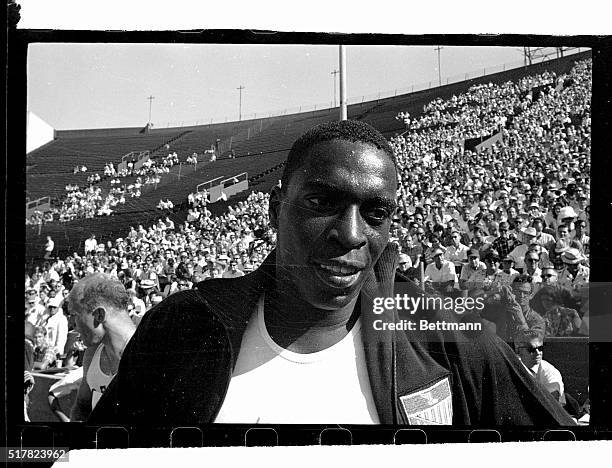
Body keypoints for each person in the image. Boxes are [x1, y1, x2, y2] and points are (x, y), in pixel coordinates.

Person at [90, 120, 573, 426]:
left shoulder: (447, 341)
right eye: (322, 202)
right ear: (277, 207)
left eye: (376, 213)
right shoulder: (184, 327)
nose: (351, 233)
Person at [67, 273, 136, 421]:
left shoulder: (147, 356)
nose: (72, 324)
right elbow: (82, 408)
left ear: (99, 315)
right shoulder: (92, 354)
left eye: (75, 315)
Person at [514, 330, 567, 407]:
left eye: (540, 348)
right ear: (518, 350)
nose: (538, 353)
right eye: (531, 349)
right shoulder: (513, 365)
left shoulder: (550, 372)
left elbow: (551, 406)